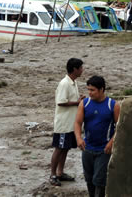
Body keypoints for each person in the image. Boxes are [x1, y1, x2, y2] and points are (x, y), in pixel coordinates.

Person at [75, 76, 120, 197]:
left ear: (101, 89)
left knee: (99, 181)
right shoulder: (84, 104)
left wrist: (111, 142)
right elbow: (78, 123)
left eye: (92, 90)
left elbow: (119, 127)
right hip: (87, 148)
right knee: (89, 179)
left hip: (104, 150)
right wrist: (79, 138)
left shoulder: (113, 105)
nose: (89, 93)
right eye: (88, 89)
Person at [49, 58, 85, 186]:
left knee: (65, 148)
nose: (82, 70)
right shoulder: (64, 83)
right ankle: (53, 174)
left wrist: (78, 99)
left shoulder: (73, 82)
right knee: (59, 148)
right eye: (80, 68)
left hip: (70, 122)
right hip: (63, 123)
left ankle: (60, 172)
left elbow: (69, 100)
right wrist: (77, 102)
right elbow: (61, 102)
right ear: (74, 69)